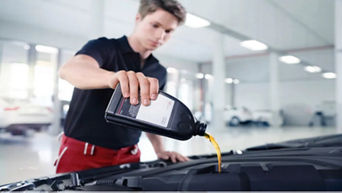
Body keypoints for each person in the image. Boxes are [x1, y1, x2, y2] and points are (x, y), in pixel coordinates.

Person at [55, 0, 189, 173]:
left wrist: (159, 149)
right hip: (83, 154)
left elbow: (150, 116)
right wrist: (112, 77)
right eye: (155, 25)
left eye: (168, 31)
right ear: (138, 18)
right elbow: (70, 69)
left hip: (130, 155)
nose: (160, 36)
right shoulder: (104, 47)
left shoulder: (159, 71)